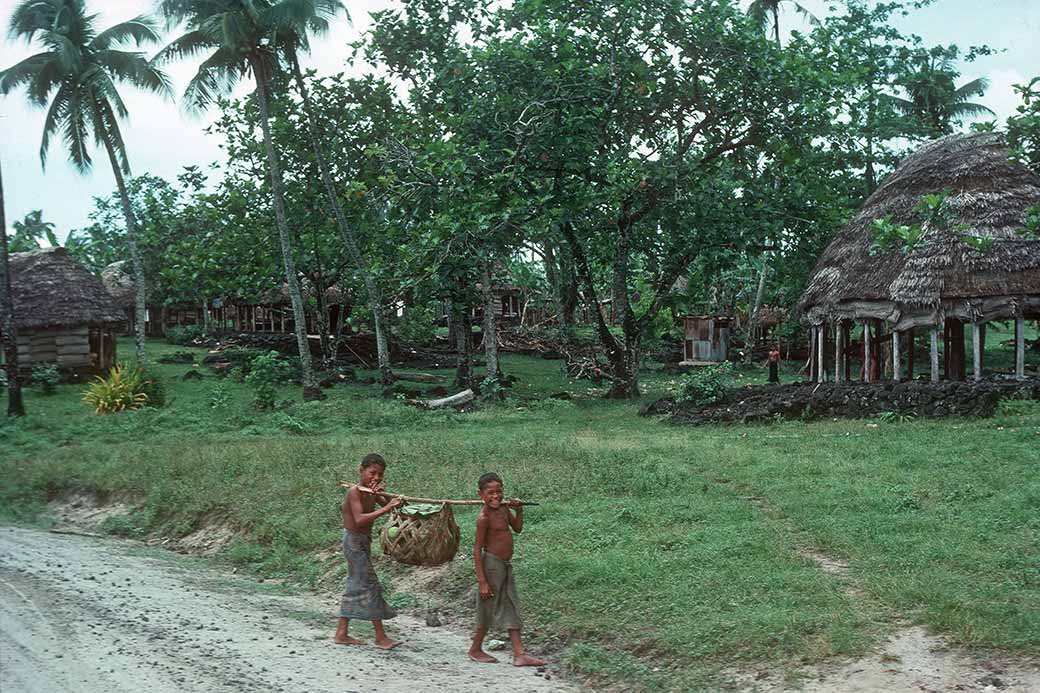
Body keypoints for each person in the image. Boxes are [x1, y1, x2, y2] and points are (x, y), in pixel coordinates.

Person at [468, 472, 544, 667]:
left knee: (511, 604)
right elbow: (477, 549)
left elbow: (517, 528)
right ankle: (475, 649)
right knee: (487, 607)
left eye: (499, 492)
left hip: (504, 565)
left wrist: (519, 510)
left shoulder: (503, 510)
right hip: (491, 566)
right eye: (490, 493)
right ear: (480, 494)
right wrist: (482, 581)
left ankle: (519, 654)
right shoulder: (484, 518)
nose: (496, 496)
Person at [334, 453, 403, 650]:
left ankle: (341, 633)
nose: (376, 477)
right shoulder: (354, 492)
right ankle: (380, 637)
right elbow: (359, 519)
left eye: (380, 474)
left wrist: (384, 495)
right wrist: (387, 506)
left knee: (355, 586)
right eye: (372, 473)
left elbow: (390, 507)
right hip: (353, 542)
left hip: (363, 542)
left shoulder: (369, 492)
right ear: (361, 471)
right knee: (370, 586)